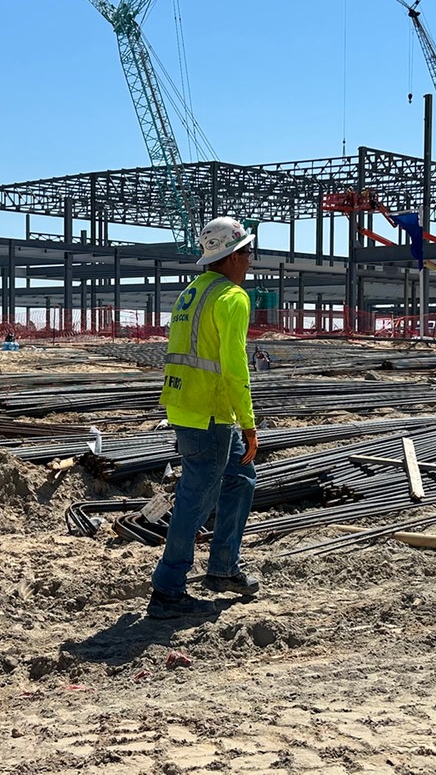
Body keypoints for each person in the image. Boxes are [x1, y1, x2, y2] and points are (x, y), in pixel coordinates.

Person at [147, 216, 260, 620]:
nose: (250, 261)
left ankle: (223, 568)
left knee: (241, 478)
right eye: (247, 252)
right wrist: (248, 423)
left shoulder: (191, 293)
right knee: (196, 500)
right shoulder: (232, 298)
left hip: (183, 405)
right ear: (231, 256)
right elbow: (234, 367)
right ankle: (167, 589)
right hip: (211, 413)